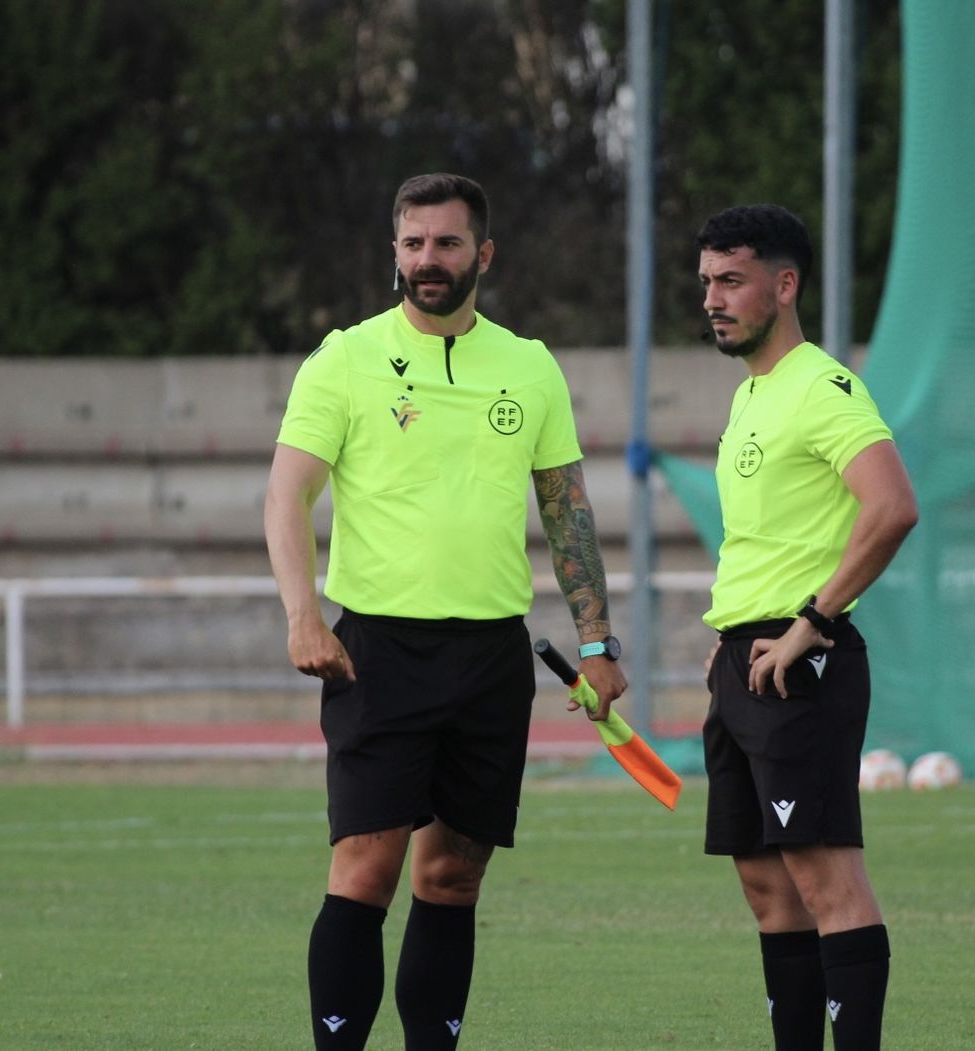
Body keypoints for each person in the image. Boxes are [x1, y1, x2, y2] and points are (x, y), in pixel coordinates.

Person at [264, 172, 627, 1050]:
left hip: (492, 658)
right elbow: (287, 494)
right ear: (394, 252)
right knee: (366, 866)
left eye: (449, 243)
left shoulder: (530, 365)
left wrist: (598, 641)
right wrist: (302, 614)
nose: (430, 259)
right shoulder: (344, 358)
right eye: (415, 243)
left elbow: (567, 509)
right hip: (377, 652)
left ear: (483, 255)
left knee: (455, 875)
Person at [694, 204, 919, 1051]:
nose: (713, 299)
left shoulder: (823, 387)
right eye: (708, 282)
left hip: (801, 662)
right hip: (742, 661)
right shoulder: (753, 393)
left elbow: (893, 506)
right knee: (768, 888)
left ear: (784, 286)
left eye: (732, 281)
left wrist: (810, 622)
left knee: (829, 883)